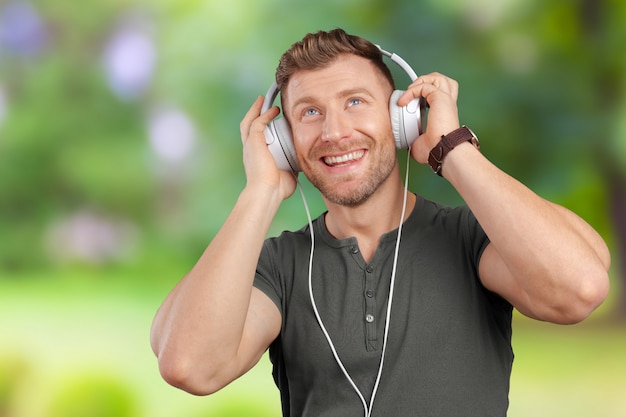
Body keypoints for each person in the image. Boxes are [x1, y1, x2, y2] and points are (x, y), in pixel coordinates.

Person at [150, 29, 611, 416]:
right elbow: (190, 365)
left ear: (400, 117)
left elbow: (581, 288)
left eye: (355, 101)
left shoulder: (472, 239)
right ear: (283, 142)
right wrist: (260, 193)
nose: (334, 132)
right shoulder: (278, 266)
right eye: (310, 112)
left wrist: (452, 149)